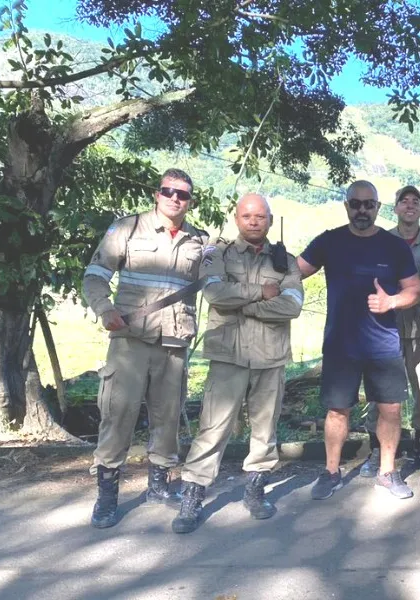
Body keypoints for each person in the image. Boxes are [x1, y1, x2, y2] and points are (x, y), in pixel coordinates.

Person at [83, 168, 209, 529]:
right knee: (117, 414)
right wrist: (104, 309)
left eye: (182, 194)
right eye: (168, 191)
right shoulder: (127, 228)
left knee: (168, 417)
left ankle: (159, 485)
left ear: (190, 200)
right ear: (157, 194)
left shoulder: (199, 240)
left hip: (173, 343)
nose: (174, 198)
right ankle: (107, 495)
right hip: (130, 340)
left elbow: (222, 272)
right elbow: (95, 274)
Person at [171, 193, 303, 533]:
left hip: (270, 357)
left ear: (270, 220)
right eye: (247, 216)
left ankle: (256, 490)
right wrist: (261, 294)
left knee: (265, 430)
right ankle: (193, 495)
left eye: (260, 216)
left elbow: (292, 305)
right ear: (237, 219)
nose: (254, 221)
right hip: (228, 355)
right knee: (212, 428)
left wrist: (241, 302)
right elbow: (214, 294)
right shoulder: (217, 253)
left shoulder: (285, 260)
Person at [297, 180, 420, 500]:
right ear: (347, 206)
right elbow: (294, 270)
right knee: (338, 410)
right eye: (356, 203)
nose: (362, 210)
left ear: (378, 208)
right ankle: (330, 472)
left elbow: (414, 290)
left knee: (391, 410)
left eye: (369, 204)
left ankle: (387, 471)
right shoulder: (330, 242)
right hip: (341, 344)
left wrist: (392, 302)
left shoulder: (394, 246)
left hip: (383, 345)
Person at [359, 185, 420, 477]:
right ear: (395, 208)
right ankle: (377, 450)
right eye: (403, 201)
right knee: (380, 393)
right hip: (385, 329)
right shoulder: (380, 241)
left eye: (415, 201)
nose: (409, 206)